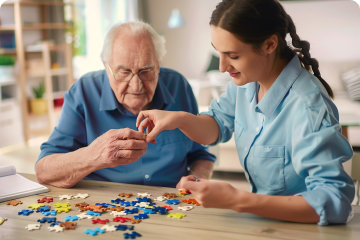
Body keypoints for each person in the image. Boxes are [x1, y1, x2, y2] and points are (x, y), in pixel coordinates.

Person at [136, 0, 355, 225]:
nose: (222, 67)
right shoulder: (247, 82)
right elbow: (216, 126)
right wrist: (179, 119)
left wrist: (237, 199)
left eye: (233, 55)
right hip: (262, 224)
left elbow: (334, 202)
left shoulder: (308, 105)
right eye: (218, 52)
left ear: (270, 44)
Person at [35, 21, 216, 188]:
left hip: (172, 205)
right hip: (105, 209)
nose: (136, 85)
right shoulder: (83, 91)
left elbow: (200, 154)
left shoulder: (179, 86)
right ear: (107, 66)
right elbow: (44, 171)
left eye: (146, 71)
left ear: (158, 65)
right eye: (124, 72)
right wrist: (94, 155)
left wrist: (198, 181)